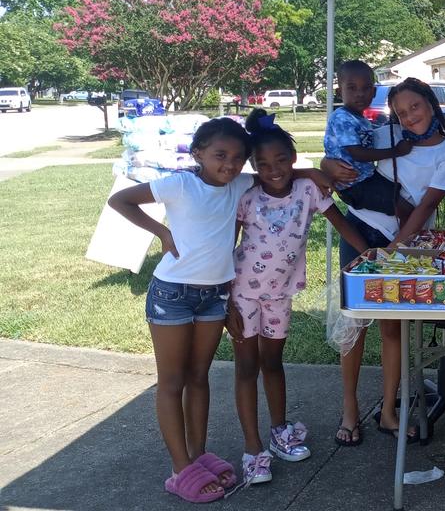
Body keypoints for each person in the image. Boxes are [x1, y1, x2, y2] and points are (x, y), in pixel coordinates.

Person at [107, 117, 332, 503]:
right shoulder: (180, 184)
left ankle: (197, 454)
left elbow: (282, 174)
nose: (229, 164)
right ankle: (180, 469)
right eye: (219, 155)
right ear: (198, 154)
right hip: (173, 293)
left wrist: (311, 168)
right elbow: (120, 200)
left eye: (237, 158)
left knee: (199, 377)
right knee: (172, 381)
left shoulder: (240, 184)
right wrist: (161, 233)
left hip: (214, 297)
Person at [322, 77, 445, 446]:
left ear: (431, 104)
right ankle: (350, 409)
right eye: (400, 112)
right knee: (354, 325)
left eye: (415, 107)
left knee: (392, 328)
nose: (408, 117)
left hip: (402, 246)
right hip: (359, 231)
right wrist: (326, 164)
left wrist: (394, 251)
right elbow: (342, 157)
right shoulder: (383, 136)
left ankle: (388, 411)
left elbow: (426, 207)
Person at [229, 109, 369, 485]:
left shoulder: (309, 191)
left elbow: (342, 224)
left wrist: (372, 254)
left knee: (273, 364)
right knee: (246, 368)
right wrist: (225, 301)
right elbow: (230, 248)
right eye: (263, 163)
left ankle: (279, 431)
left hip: (280, 296)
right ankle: (253, 449)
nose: (273, 169)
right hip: (242, 295)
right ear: (253, 166)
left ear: (293, 159)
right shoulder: (246, 195)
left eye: (281, 160)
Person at [322, 60, 414, 218]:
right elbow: (357, 153)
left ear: (374, 92)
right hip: (354, 185)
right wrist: (396, 151)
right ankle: (406, 242)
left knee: (403, 198)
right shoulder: (342, 118)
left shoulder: (360, 119)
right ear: (339, 92)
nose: (359, 94)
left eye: (366, 88)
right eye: (352, 88)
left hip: (366, 179)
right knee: (405, 209)